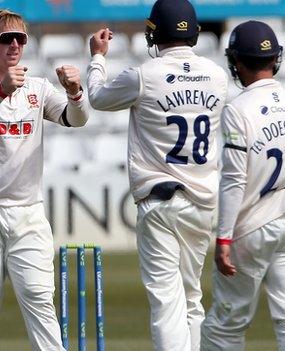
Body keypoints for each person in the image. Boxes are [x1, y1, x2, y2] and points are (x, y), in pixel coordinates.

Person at [87, 0, 227, 349]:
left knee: (167, 301)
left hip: (161, 199)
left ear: (154, 32)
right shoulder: (217, 75)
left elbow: (97, 98)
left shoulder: (144, 74)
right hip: (202, 201)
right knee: (192, 298)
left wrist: (97, 57)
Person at [0, 9, 90, 351]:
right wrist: (0, 90)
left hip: (28, 211)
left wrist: (75, 92)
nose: (15, 45)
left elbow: (77, 120)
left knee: (40, 299)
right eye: (6, 38)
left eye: (21, 39)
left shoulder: (38, 87)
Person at [200, 21, 285, 350]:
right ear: (276, 59)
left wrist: (223, 236)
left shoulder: (237, 110)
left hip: (251, 225)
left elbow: (234, 178)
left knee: (226, 324)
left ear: (236, 62)